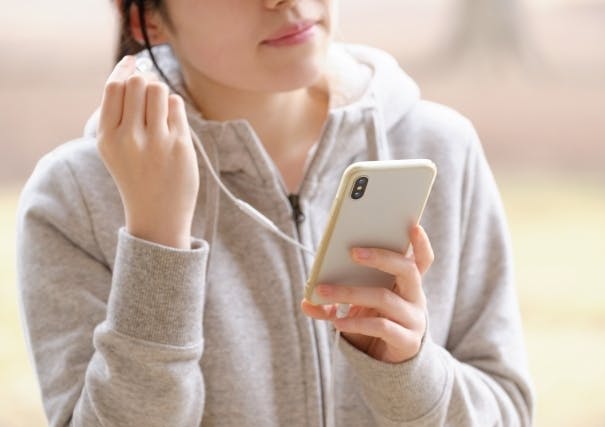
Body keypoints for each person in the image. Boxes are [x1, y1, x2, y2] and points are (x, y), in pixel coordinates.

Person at [16, 0, 534, 426]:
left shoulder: (438, 149)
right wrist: (157, 244)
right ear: (146, 19)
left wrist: (408, 372)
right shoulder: (74, 198)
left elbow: (509, 412)